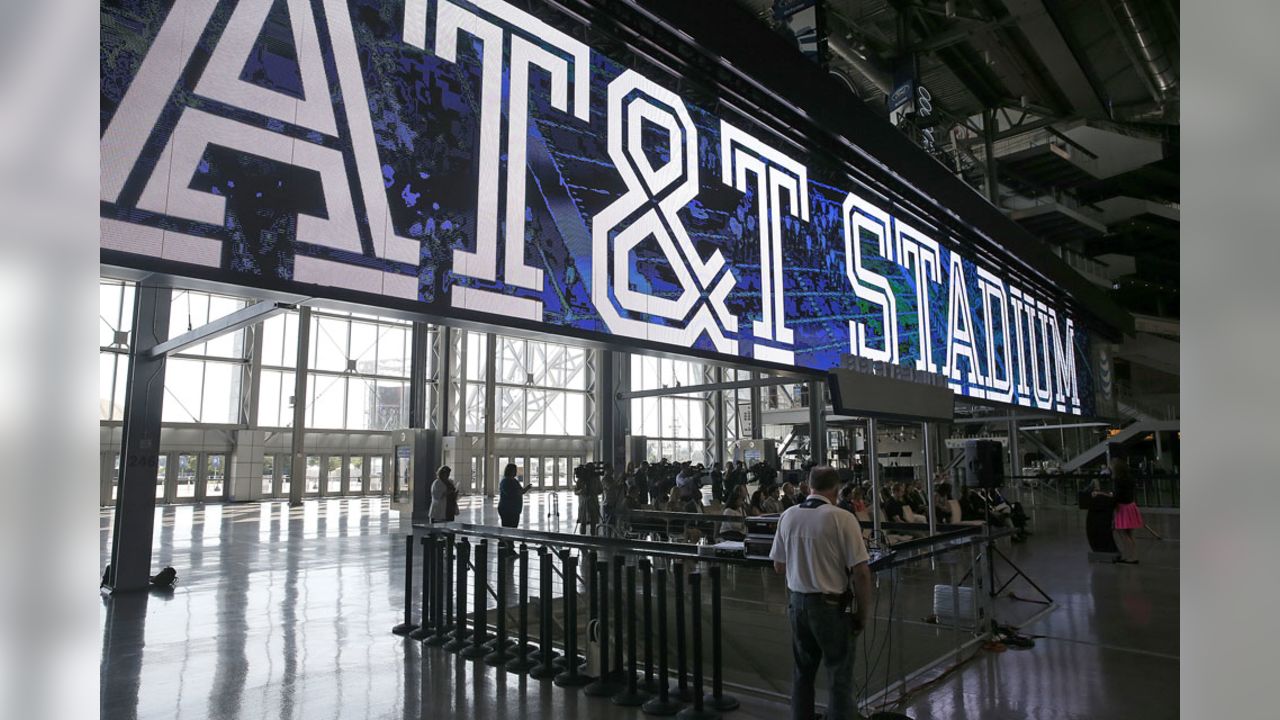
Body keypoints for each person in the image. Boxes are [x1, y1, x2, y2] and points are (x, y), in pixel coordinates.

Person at [770, 466, 873, 720]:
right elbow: (860, 572)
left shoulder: (788, 515)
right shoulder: (841, 518)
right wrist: (863, 612)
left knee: (802, 672)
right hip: (829, 607)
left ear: (808, 485)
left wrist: (804, 564)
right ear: (836, 490)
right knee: (839, 674)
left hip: (797, 604)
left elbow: (778, 566)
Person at [1098, 457, 1143, 563]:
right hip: (1131, 506)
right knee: (1130, 534)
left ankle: (1130, 557)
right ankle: (1132, 556)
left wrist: (1102, 494)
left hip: (1123, 508)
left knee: (1122, 533)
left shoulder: (1118, 480)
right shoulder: (1129, 478)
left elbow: (1116, 496)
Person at [497, 462, 532, 528]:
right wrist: (522, 491)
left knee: (512, 528)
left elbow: (520, 491)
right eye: (514, 470)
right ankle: (506, 538)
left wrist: (527, 488)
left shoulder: (514, 481)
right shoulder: (506, 481)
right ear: (509, 471)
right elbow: (512, 493)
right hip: (508, 510)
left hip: (514, 509)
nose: (515, 472)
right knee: (509, 528)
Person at [574, 463, 603, 535]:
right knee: (583, 523)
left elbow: (600, 490)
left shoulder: (596, 478)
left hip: (593, 503)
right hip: (583, 504)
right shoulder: (581, 479)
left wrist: (594, 491)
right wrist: (581, 491)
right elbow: (575, 491)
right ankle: (582, 538)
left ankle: (593, 540)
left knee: (593, 524)